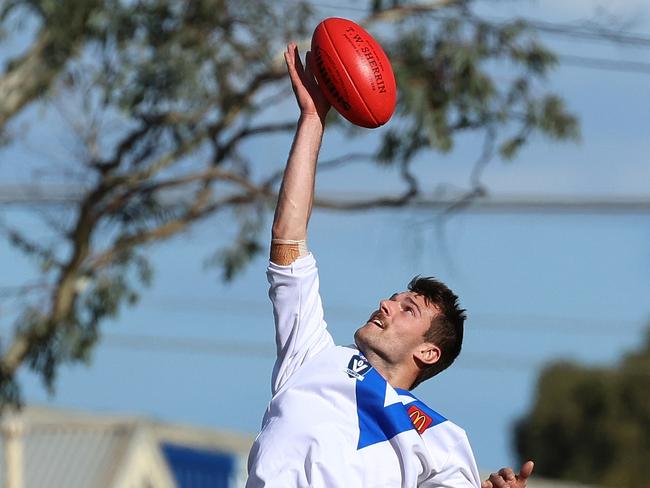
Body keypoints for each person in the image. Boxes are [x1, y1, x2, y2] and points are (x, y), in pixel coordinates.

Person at [245, 42, 534, 488]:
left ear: (428, 352)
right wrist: (312, 122)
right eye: (396, 299)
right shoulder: (311, 357)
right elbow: (288, 239)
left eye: (408, 309)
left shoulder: (441, 437)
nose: (385, 304)